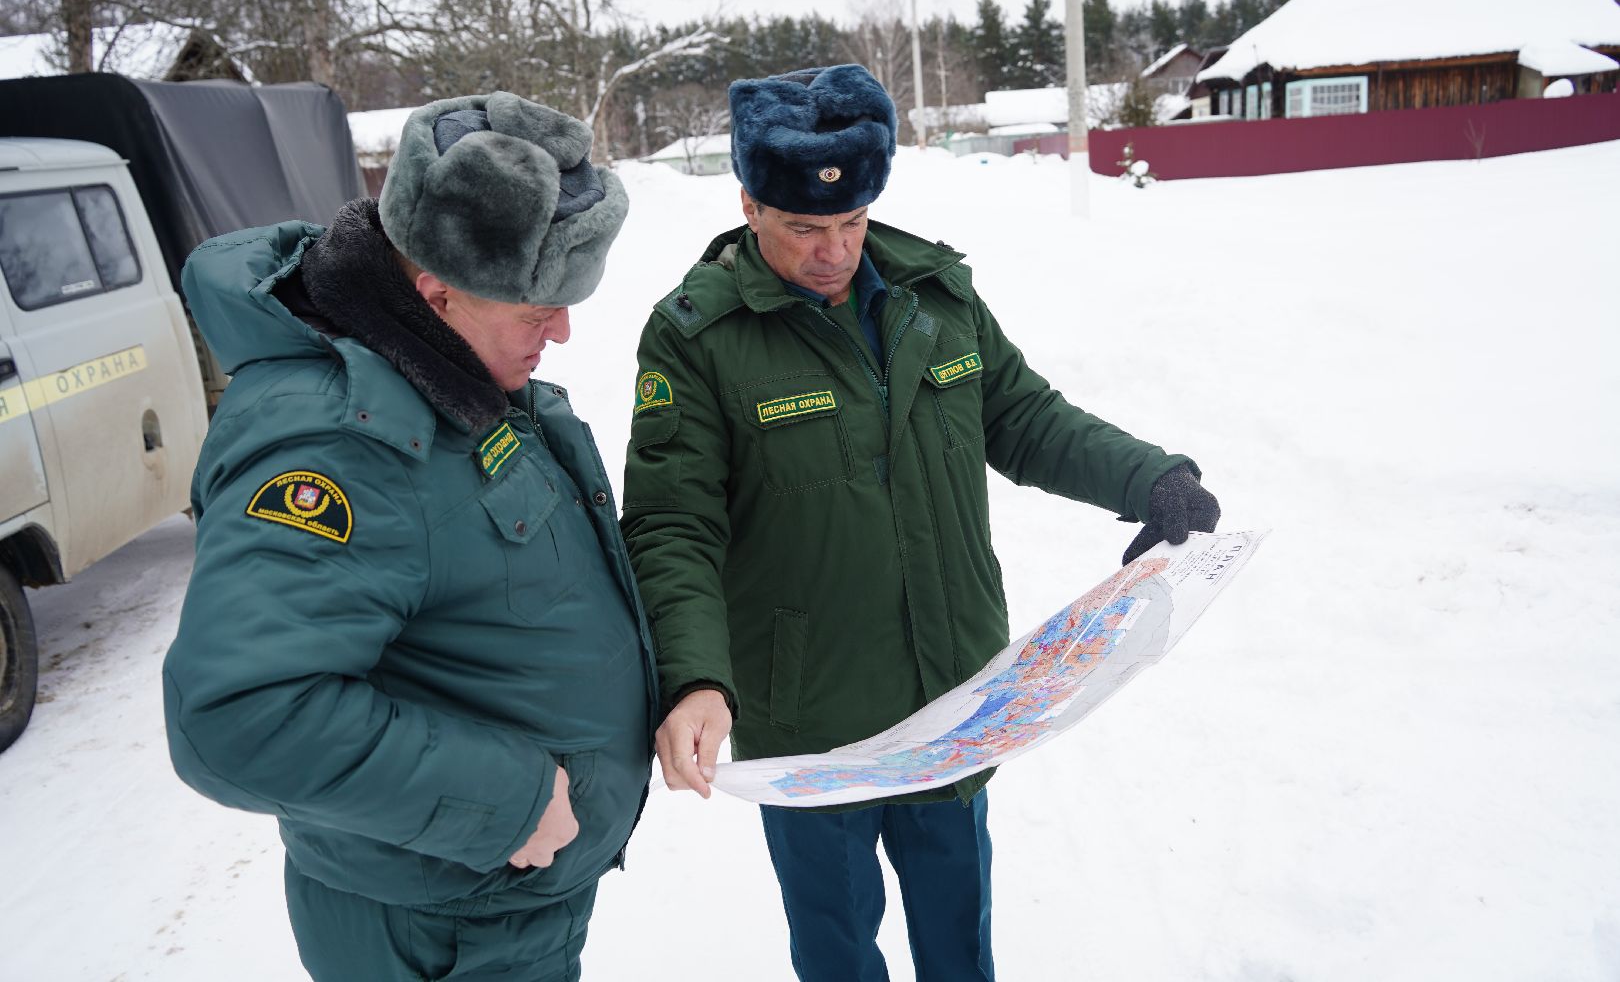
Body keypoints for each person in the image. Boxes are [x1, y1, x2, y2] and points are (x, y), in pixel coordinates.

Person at [620, 64, 1219, 981]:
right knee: (837, 942)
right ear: (748, 204)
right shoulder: (697, 338)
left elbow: (1022, 415)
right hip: (810, 719)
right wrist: (696, 677)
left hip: (955, 693)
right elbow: (672, 525)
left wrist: (1150, 480)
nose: (833, 253)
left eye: (852, 223)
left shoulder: (934, 298)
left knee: (958, 924)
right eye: (803, 228)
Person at [163, 92, 656, 982]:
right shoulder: (339, 444)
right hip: (443, 931)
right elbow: (236, 716)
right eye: (539, 309)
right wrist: (507, 802)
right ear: (436, 293)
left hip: (498, 909)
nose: (564, 330)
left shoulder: (443, 369)